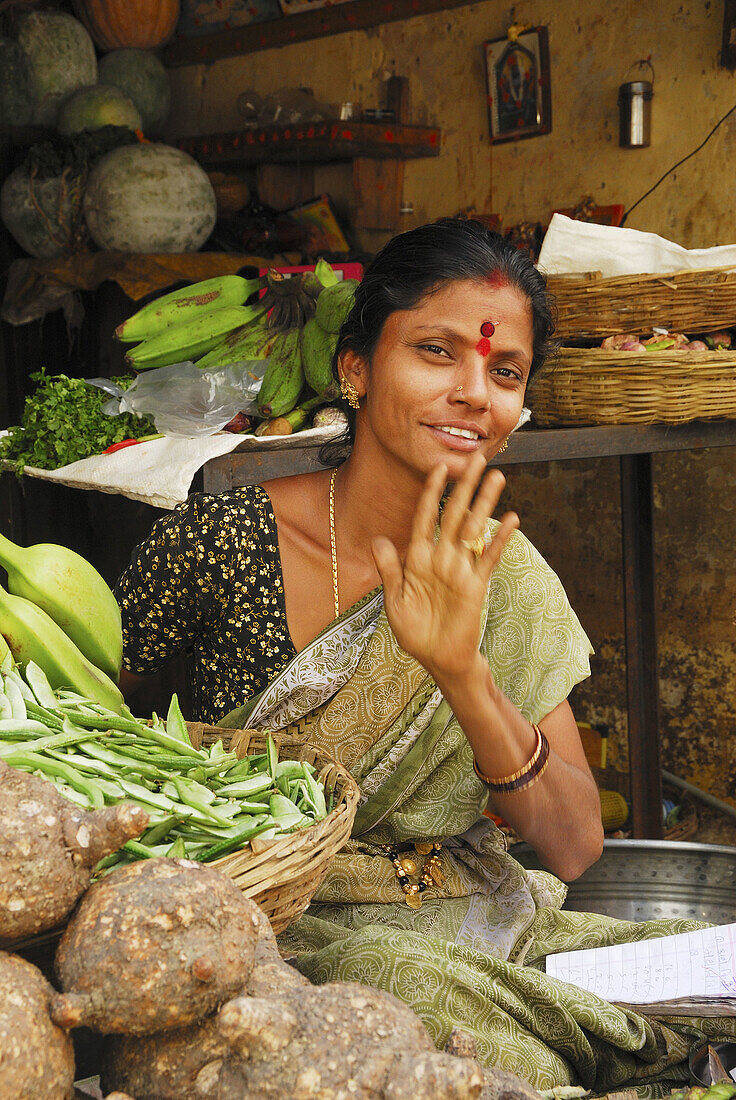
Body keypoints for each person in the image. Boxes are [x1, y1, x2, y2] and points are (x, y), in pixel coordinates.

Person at [116, 219, 732, 1094]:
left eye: (505, 371)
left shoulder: (504, 573)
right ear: (356, 367)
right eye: (437, 352)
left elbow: (573, 847)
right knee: (404, 997)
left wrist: (462, 673)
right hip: (288, 934)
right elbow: (86, 716)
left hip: (482, 919)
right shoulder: (219, 541)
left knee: (714, 966)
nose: (475, 392)